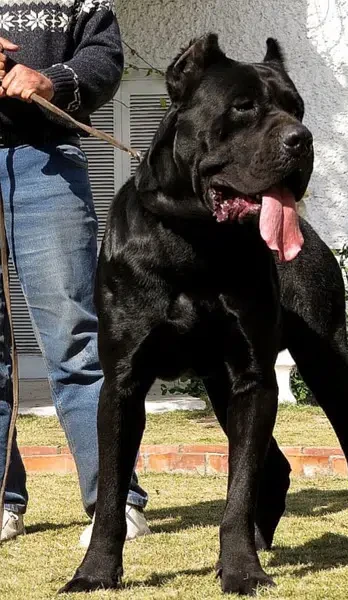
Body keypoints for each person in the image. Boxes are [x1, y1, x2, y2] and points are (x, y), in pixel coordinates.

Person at [0, 0, 150, 545]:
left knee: (75, 341)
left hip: (46, 159)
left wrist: (51, 79)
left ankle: (115, 503)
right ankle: (2, 503)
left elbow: (104, 56)